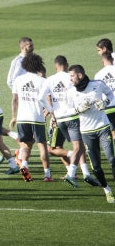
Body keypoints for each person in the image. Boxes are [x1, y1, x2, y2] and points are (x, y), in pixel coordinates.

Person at [43, 55, 98, 187]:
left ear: (55, 66)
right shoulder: (71, 77)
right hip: (73, 116)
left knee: (69, 146)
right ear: (66, 65)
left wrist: (51, 112)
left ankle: (83, 173)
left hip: (59, 119)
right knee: (78, 147)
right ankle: (77, 173)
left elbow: (45, 98)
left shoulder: (49, 80)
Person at [67, 64, 115, 203]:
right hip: (87, 132)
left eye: (72, 76)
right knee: (96, 167)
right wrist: (77, 110)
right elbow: (68, 109)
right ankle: (107, 190)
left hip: (103, 127)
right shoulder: (71, 92)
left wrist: (105, 102)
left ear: (80, 75)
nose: (70, 79)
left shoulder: (98, 84)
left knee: (112, 159)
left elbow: (110, 94)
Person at [10, 53, 54, 182]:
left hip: (22, 118)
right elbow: (47, 99)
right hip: (37, 117)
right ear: (38, 65)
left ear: (25, 66)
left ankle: (24, 166)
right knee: (42, 146)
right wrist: (51, 113)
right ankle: (47, 175)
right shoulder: (43, 81)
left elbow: (14, 99)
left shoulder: (18, 80)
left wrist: (13, 116)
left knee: (25, 145)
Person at [94, 52, 115, 139]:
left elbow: (97, 94)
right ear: (113, 59)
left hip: (108, 108)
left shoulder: (98, 75)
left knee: (113, 134)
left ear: (102, 62)